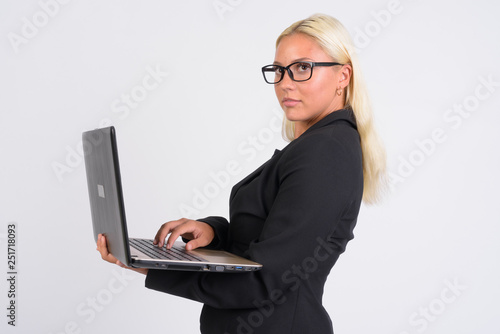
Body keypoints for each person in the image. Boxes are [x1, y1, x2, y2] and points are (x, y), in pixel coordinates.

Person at [97, 13, 386, 334]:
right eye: (279, 70)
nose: (286, 83)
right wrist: (213, 232)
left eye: (303, 68)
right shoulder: (317, 145)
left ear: (343, 76)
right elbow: (269, 239)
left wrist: (151, 267)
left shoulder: (326, 151)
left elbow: (263, 280)